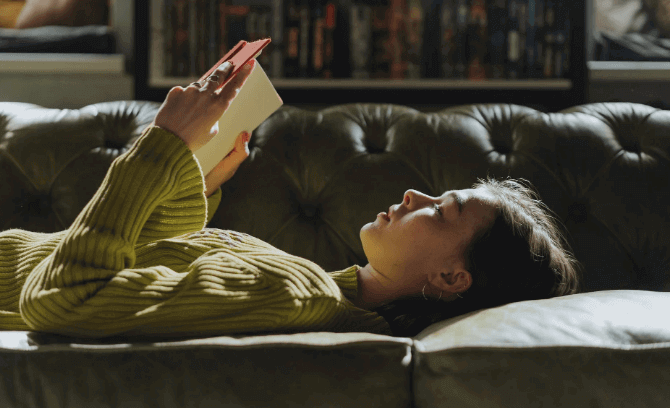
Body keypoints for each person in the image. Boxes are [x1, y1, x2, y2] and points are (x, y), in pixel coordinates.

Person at [0, 59, 581, 339]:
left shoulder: (292, 294)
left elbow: (60, 298)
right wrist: (193, 181)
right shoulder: (311, 284)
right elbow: (125, 264)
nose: (413, 192)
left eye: (441, 209)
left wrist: (162, 147)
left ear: (454, 279)